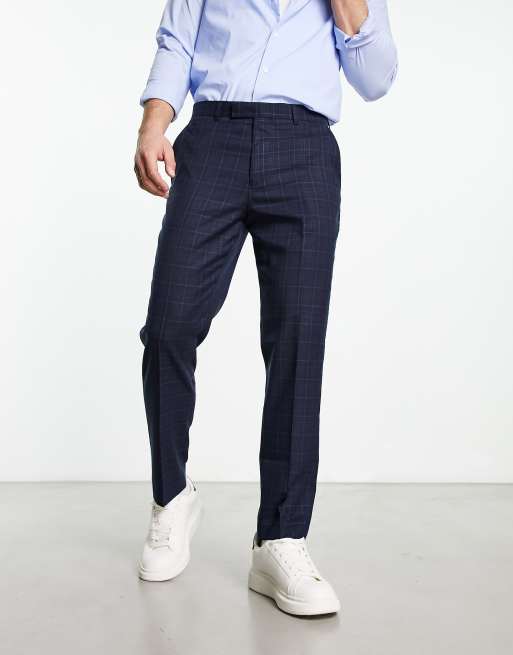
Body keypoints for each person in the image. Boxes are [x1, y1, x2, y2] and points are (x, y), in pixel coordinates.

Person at [134, 0, 397, 616]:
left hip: (304, 146)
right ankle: (172, 497)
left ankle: (281, 537)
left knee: (297, 345)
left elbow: (376, 78)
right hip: (213, 138)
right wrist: (153, 123)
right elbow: (178, 39)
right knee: (168, 327)